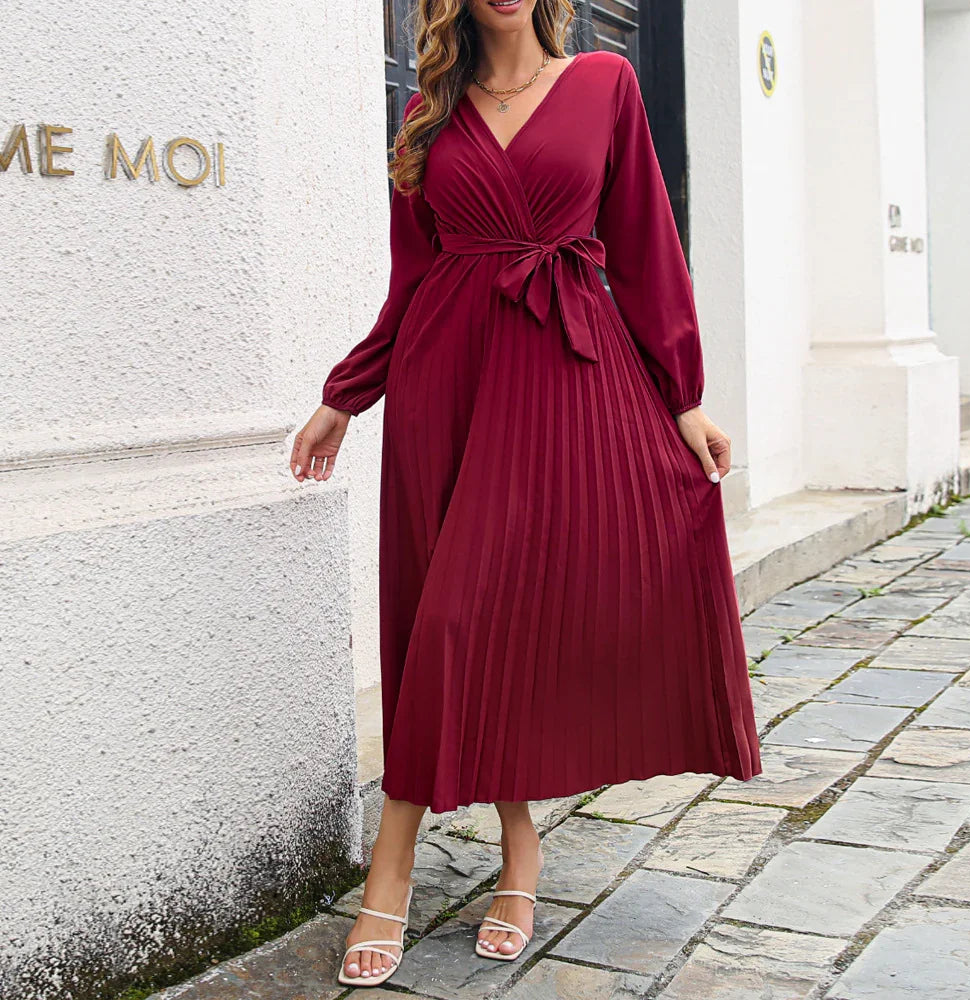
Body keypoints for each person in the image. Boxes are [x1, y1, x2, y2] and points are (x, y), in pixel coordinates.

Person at [290, 0, 762, 988]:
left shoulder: (606, 85)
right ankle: (518, 844)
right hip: (443, 387)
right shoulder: (429, 110)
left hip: (559, 376)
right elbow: (411, 281)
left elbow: (644, 253)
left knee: (483, 617)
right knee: (441, 622)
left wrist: (683, 399)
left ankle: (397, 861)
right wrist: (346, 393)